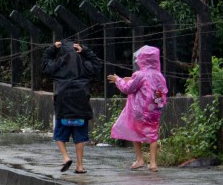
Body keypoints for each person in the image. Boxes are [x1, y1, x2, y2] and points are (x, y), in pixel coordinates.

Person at [41, 41, 102, 174]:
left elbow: (45, 64)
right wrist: (85, 50)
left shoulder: (58, 64)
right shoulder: (84, 65)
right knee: (80, 136)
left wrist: (52, 48)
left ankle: (65, 157)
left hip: (63, 102)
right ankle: (80, 166)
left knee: (59, 134)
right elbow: (97, 65)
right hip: (81, 102)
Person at [107, 45, 168, 172]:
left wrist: (118, 80)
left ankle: (140, 159)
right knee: (153, 134)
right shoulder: (159, 75)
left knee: (136, 131)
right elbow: (157, 90)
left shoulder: (139, 74)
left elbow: (128, 89)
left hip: (139, 110)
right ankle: (153, 163)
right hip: (154, 110)